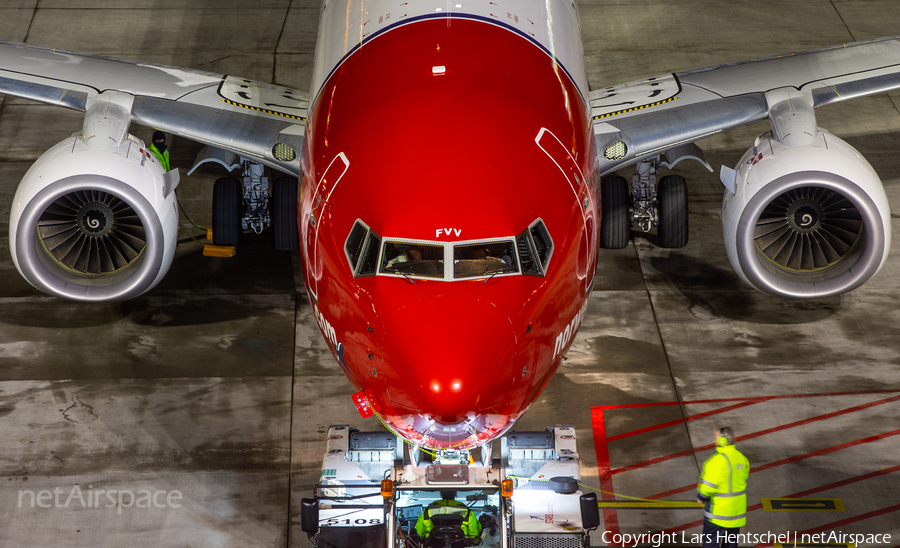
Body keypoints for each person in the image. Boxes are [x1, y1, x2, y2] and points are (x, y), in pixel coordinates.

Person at [697, 427, 749, 548]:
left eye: (716, 439)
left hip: (718, 514)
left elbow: (708, 487)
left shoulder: (716, 461)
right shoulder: (742, 459)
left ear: (723, 441)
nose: (714, 442)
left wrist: (701, 497)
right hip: (736, 514)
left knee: (711, 544)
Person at [414, 490, 481, 542]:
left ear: (441, 494)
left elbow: (420, 533)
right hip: (460, 545)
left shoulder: (428, 511)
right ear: (455, 494)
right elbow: (474, 535)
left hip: (434, 545)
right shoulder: (467, 512)